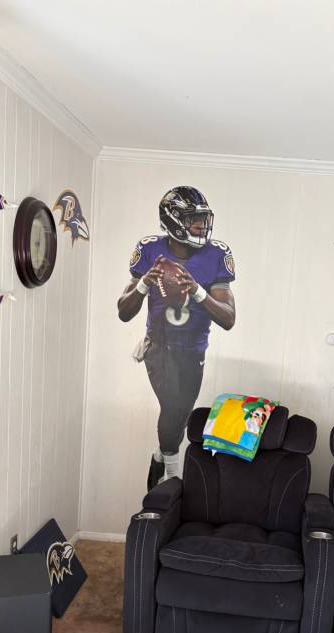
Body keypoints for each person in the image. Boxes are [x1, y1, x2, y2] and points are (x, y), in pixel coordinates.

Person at [117, 186, 236, 488]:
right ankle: (172, 477)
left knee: (181, 413)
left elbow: (228, 318)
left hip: (194, 350)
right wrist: (144, 284)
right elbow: (123, 311)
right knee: (173, 406)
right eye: (194, 219)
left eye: (203, 219)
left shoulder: (216, 254)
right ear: (173, 220)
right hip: (159, 347)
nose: (201, 225)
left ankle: (159, 456)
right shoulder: (150, 250)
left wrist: (197, 291)